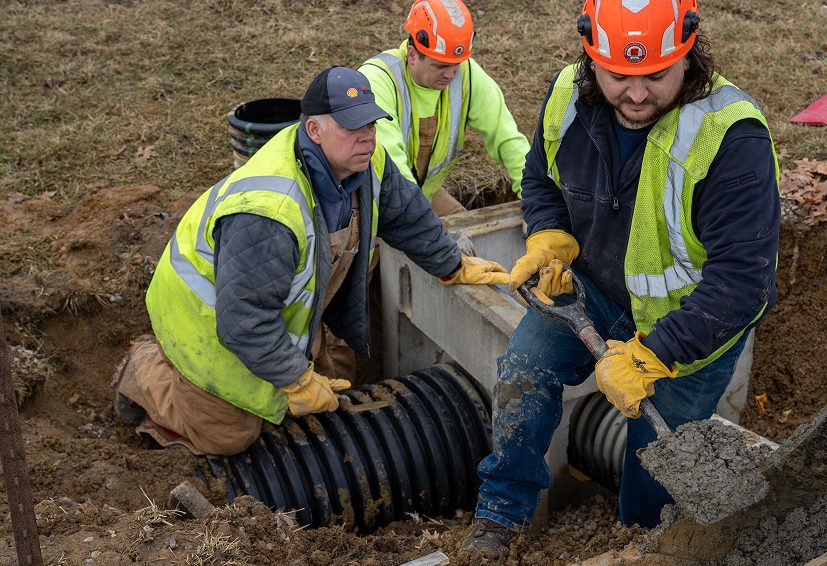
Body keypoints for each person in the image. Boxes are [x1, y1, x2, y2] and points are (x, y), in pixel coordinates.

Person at [461, 0, 781, 558]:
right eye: (618, 76)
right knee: (524, 370)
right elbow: (539, 177)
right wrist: (548, 233)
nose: (635, 94)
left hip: (689, 325)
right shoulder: (568, 96)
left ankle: (639, 542)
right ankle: (500, 516)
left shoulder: (732, 139)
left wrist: (656, 353)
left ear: (688, 54)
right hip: (592, 293)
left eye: (655, 76)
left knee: (657, 447)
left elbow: (742, 281)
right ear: (591, 59)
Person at [112, 66, 508, 456]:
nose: (367, 137)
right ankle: (144, 368)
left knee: (327, 397)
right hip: (206, 320)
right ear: (314, 130)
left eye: (371, 124)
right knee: (229, 436)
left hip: (272, 304)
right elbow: (244, 320)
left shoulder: (366, 161)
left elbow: (405, 212)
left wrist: (451, 264)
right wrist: (296, 380)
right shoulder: (270, 212)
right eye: (352, 127)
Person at [358, 0, 531, 216]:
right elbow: (391, 168)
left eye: (456, 65)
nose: (450, 74)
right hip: (374, 202)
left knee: (468, 232)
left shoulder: (466, 73)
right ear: (412, 55)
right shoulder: (377, 81)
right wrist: (425, 224)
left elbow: (508, 138)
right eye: (440, 66)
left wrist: (536, 200)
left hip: (423, 194)